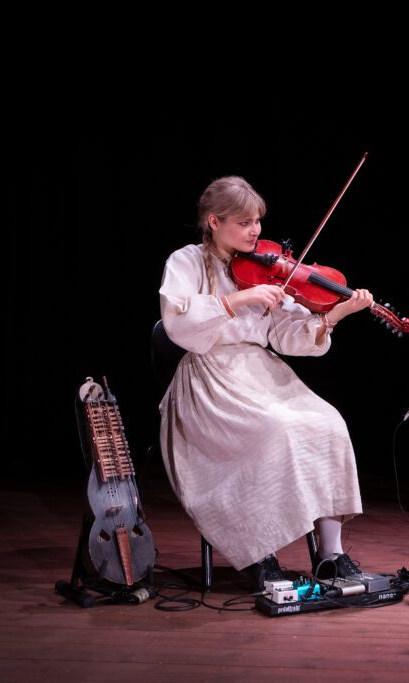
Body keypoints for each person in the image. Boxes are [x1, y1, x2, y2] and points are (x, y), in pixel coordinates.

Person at [158, 175, 373, 591]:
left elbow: (286, 335)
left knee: (328, 422)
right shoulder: (184, 261)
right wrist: (235, 300)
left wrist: (334, 316)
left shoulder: (266, 268)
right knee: (274, 429)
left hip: (260, 371)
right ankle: (259, 552)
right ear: (214, 221)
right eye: (244, 222)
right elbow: (177, 322)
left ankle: (330, 553)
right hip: (209, 378)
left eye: (258, 221)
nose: (255, 231)